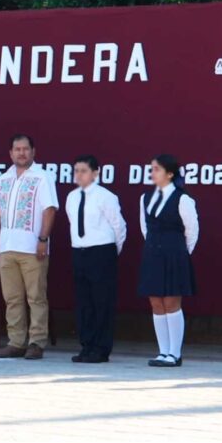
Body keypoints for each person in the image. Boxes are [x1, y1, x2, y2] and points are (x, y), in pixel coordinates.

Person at [0, 134, 59, 360]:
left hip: (32, 247)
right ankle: (16, 342)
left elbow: (50, 210)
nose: (21, 153)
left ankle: (36, 342)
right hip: (7, 246)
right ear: (10, 153)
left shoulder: (42, 177)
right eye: (17, 149)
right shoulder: (3, 179)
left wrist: (43, 239)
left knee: (36, 297)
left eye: (26, 149)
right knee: (12, 297)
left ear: (33, 152)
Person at [139, 154, 199, 368]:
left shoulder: (182, 199)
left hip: (175, 254)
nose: (152, 172)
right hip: (153, 254)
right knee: (156, 301)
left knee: (172, 302)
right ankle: (163, 351)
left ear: (170, 174)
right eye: (152, 168)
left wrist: (181, 254)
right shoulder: (145, 198)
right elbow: (145, 228)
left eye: (157, 169)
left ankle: (175, 353)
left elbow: (192, 231)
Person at [64, 155, 126, 364]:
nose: (79, 175)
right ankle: (86, 346)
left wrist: (110, 252)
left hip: (101, 252)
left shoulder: (105, 196)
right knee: (84, 303)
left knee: (102, 302)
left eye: (83, 171)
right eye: (76, 171)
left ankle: (101, 348)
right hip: (79, 251)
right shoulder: (72, 197)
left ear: (95, 173)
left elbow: (119, 226)